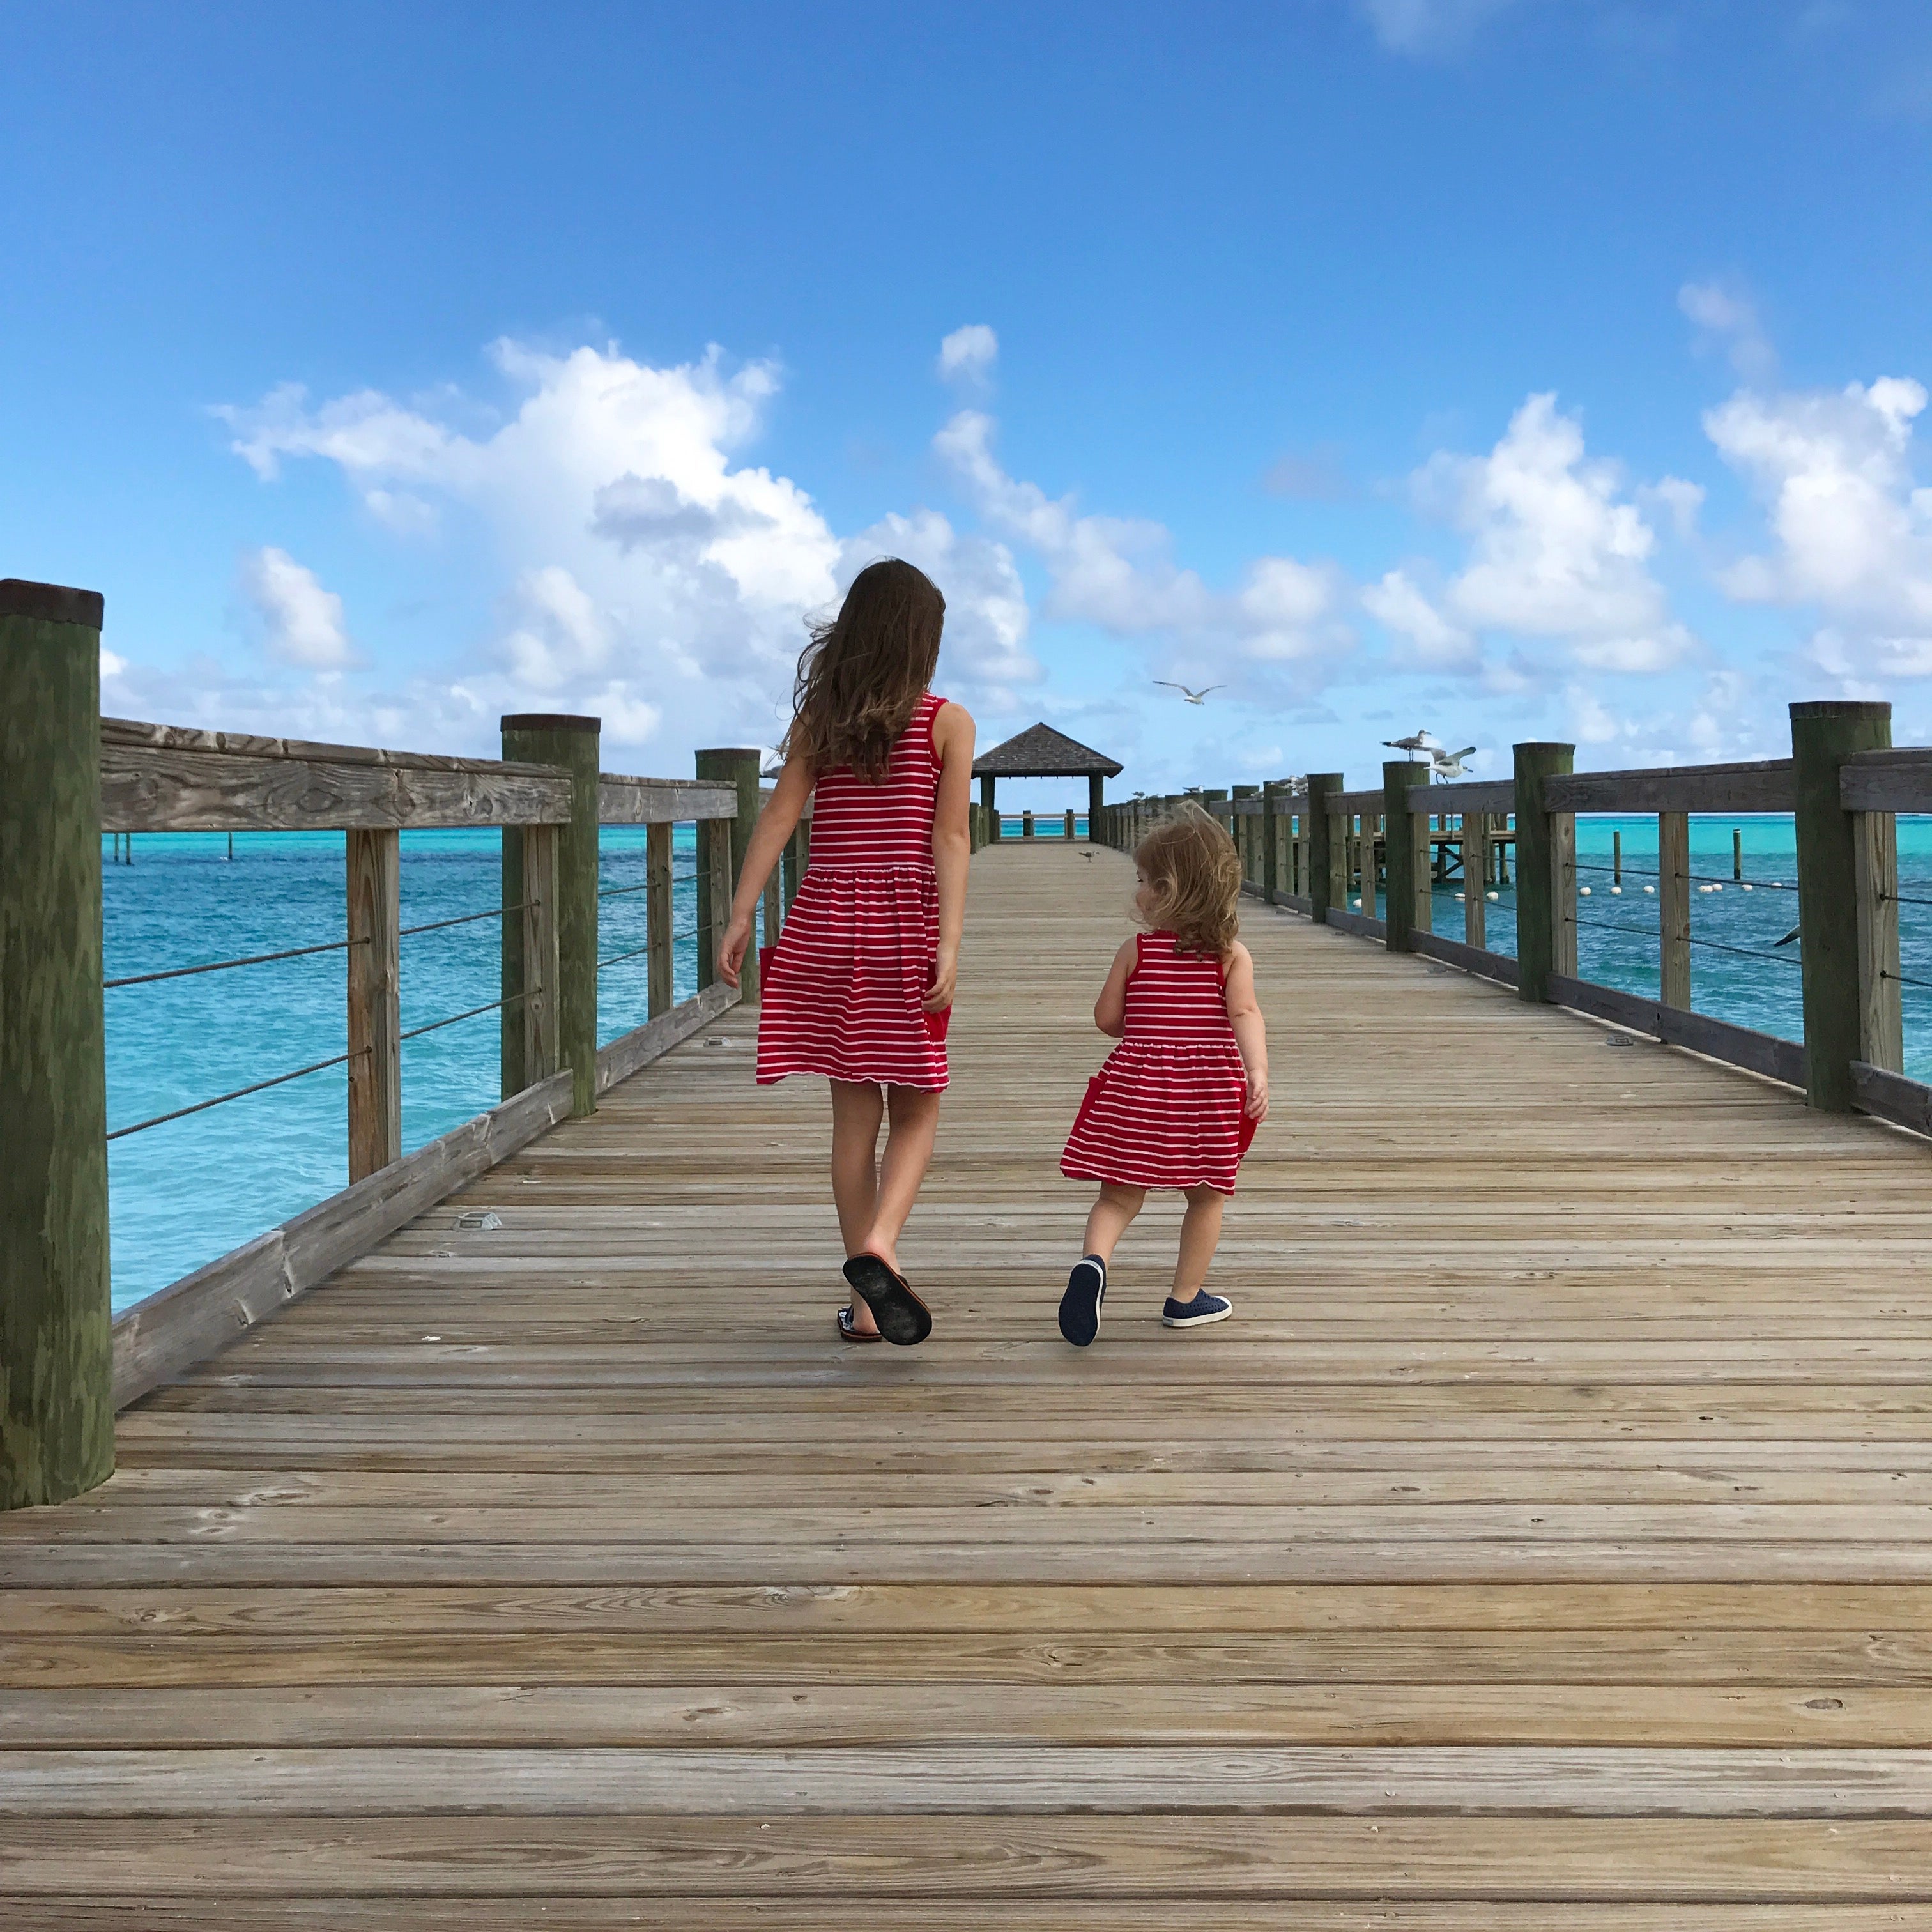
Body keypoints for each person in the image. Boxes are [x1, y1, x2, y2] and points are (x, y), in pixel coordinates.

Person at [717, 558, 974, 1347]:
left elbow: (778, 819)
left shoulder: (818, 724)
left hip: (827, 922)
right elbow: (951, 837)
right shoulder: (948, 721)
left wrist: (740, 914)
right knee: (920, 1106)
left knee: (853, 1121)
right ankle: (880, 1250)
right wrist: (951, 938)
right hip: (903, 927)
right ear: (922, 643)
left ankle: (866, 1312)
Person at [1055, 803, 1268, 1345]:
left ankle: (1093, 1265)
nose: (1138, 891)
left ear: (1172, 892)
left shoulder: (1137, 951)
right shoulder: (1230, 957)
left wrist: (1147, 1026)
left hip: (1139, 1085)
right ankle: (1185, 1298)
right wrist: (1256, 1071)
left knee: (1118, 1197)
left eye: (1145, 881)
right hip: (1206, 1090)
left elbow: (1106, 1020)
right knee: (1206, 1196)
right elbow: (1245, 1014)